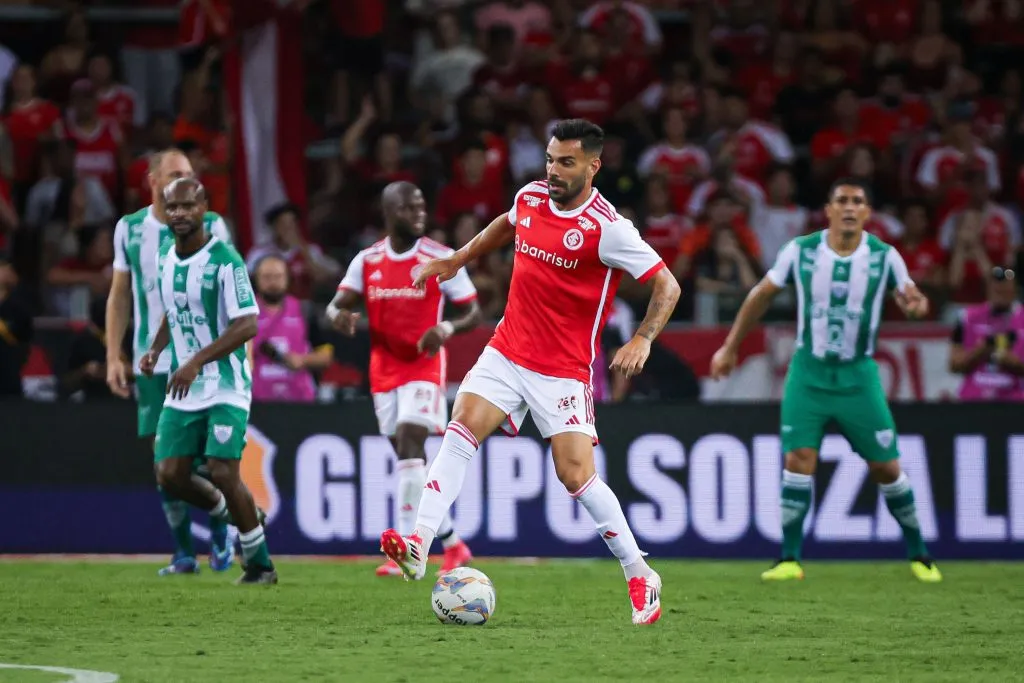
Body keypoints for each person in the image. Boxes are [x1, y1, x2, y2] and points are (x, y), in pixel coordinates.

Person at [378, 120, 681, 625]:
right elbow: (508, 220)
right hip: (507, 349)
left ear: (593, 166)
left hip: (561, 370)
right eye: (550, 159)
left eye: (566, 162)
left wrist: (643, 338)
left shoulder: (609, 228)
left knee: (575, 475)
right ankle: (418, 544)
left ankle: (640, 573)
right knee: (461, 428)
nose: (553, 171)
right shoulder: (532, 197)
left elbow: (666, 285)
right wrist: (457, 259)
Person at [709, 177, 942, 583]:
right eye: (842, 201)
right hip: (810, 372)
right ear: (829, 210)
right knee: (799, 460)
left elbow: (911, 295)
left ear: (867, 213)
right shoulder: (800, 251)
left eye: (858, 201)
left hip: (858, 375)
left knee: (886, 467)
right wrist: (730, 346)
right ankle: (789, 558)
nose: (850, 207)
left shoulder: (884, 257)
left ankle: (919, 554)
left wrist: (916, 303)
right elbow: (760, 295)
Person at [327, 181, 480, 578]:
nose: (419, 214)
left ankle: (412, 552)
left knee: (412, 442)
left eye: (422, 207)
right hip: (382, 369)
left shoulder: (439, 257)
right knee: (405, 456)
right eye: (410, 209)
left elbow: (473, 310)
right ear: (389, 213)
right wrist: (338, 317)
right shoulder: (367, 261)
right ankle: (453, 543)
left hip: (424, 365)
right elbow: (335, 306)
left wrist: (445, 328)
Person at [105, 148, 235, 576]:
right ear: (153, 181)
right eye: (176, 174)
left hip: (204, 362)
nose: (186, 180)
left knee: (204, 460)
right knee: (166, 465)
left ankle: (221, 526)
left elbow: (233, 291)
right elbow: (120, 294)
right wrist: (113, 354)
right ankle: (183, 553)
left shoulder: (213, 227)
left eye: (191, 175)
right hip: (155, 365)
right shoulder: (129, 230)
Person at [140, 177, 276, 585]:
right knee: (169, 473)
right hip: (185, 386)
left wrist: (196, 360)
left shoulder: (225, 259)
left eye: (188, 206)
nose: (180, 214)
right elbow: (173, 307)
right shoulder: (165, 253)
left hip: (225, 384)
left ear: (204, 209)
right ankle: (239, 513)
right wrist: (157, 348)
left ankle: (260, 565)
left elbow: (249, 323)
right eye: (172, 208)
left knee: (221, 469)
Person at [251, 254, 333, 403]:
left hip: (299, 400)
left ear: (288, 278)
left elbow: (326, 355)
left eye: (278, 276)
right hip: (257, 401)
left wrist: (303, 360)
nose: (273, 282)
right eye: (266, 277)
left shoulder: (304, 310)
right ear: (256, 279)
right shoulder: (244, 314)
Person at [949, 267, 1024, 401]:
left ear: (1014, 290)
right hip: (974, 397)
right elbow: (954, 365)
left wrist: (1011, 361)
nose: (999, 294)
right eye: (996, 291)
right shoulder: (967, 317)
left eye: (1004, 291)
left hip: (1014, 399)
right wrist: (981, 351)